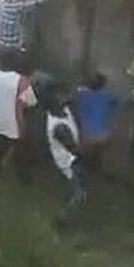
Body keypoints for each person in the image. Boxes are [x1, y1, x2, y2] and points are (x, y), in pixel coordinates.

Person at [0, 59, 38, 186]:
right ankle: (24, 180)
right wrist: (23, 129)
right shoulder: (24, 84)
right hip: (13, 126)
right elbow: (28, 105)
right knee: (23, 153)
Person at [45, 86, 85, 224]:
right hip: (68, 162)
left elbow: (73, 98)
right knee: (78, 195)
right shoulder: (59, 127)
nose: (65, 96)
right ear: (55, 102)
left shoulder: (63, 111)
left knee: (72, 188)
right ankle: (60, 221)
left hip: (71, 159)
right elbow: (74, 149)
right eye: (61, 95)